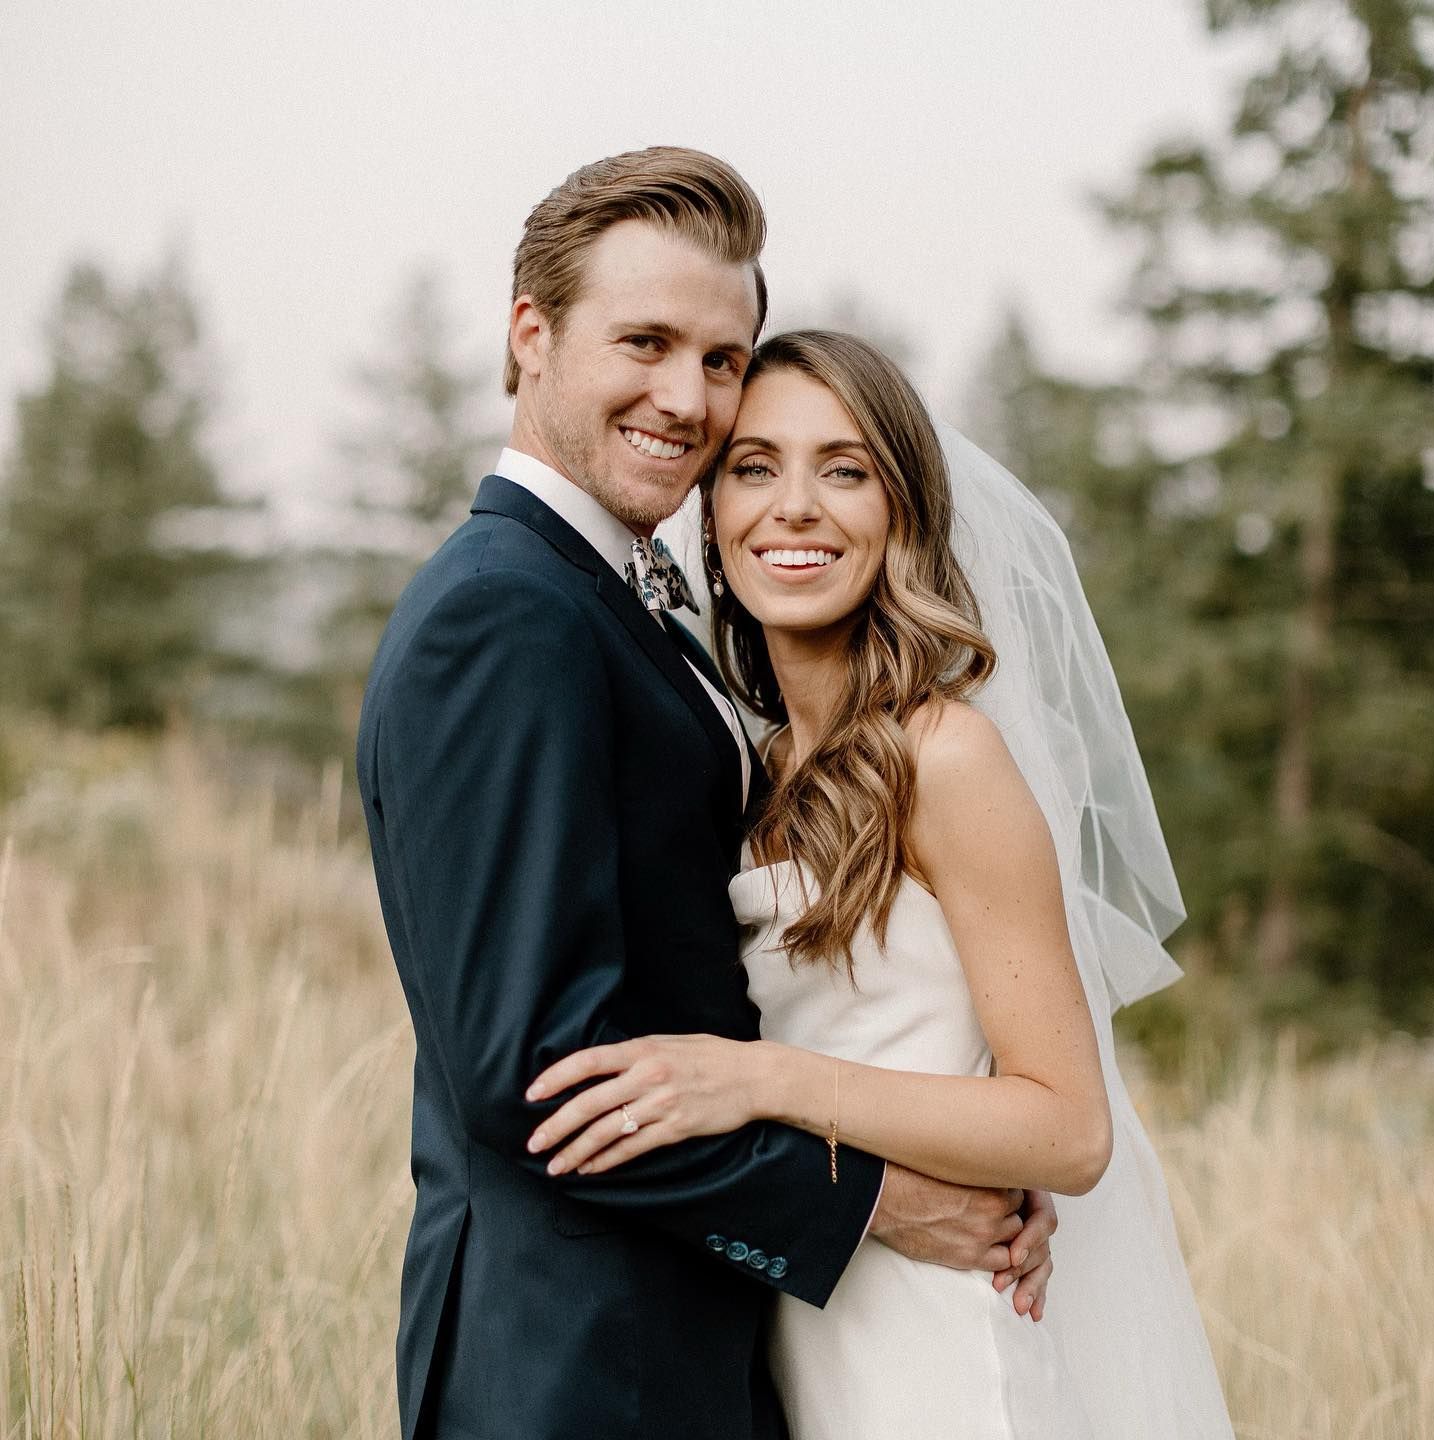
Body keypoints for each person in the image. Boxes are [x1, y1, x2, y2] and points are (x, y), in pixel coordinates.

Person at [356, 151, 1057, 1440]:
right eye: (645, 341)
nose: (687, 399)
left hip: (689, 1351)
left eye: (721, 358)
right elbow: (539, 1076)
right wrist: (882, 1202)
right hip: (575, 1364)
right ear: (530, 335)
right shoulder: (508, 614)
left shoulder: (610, 600)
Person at [528, 331, 1236, 1437]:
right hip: (800, 1328)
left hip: (938, 1348)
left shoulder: (946, 757)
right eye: (754, 467)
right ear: (710, 514)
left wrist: (762, 1081)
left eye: (845, 470)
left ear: (901, 511)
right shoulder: (750, 770)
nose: (794, 507)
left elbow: (1065, 1129)